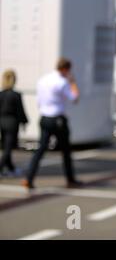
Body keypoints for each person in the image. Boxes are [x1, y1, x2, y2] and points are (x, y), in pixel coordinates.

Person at [23, 58, 82, 189]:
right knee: (66, 150)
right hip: (58, 118)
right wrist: (73, 83)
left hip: (44, 117)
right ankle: (70, 179)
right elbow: (74, 98)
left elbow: (38, 100)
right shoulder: (62, 82)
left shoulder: (44, 79)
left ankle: (29, 178)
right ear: (66, 69)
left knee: (41, 149)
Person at [0, 70, 28, 177]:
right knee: (8, 148)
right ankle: (2, 167)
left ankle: (11, 167)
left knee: (6, 146)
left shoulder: (1, 94)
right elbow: (20, 110)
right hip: (12, 123)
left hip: (2, 122)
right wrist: (24, 122)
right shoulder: (16, 95)